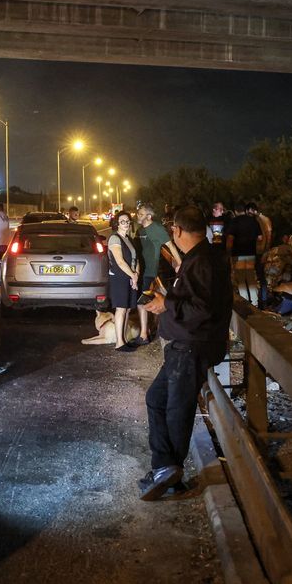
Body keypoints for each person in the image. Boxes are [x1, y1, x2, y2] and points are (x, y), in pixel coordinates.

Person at [138, 205, 232, 500]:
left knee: (178, 409)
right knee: (156, 399)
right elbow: (196, 300)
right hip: (184, 345)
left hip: (191, 346)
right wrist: (166, 301)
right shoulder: (202, 257)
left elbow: (201, 309)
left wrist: (166, 304)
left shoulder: (202, 261)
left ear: (177, 230)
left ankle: (169, 472)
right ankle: (165, 467)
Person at [135, 204, 171, 345]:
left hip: (154, 271)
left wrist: (179, 264)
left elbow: (170, 245)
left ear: (149, 216)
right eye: (138, 213)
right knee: (141, 301)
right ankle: (145, 332)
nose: (138, 216)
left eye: (141, 214)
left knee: (153, 301)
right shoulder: (139, 231)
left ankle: (152, 333)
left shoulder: (157, 228)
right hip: (142, 271)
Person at [108, 210, 139, 352]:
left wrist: (136, 274)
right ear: (117, 224)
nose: (126, 224)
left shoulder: (128, 239)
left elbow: (135, 259)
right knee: (121, 308)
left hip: (130, 277)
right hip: (119, 277)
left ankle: (124, 340)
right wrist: (133, 275)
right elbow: (120, 261)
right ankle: (119, 343)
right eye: (122, 221)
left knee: (127, 309)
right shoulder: (115, 239)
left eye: (127, 221)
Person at [225, 203, 263, 304]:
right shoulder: (253, 221)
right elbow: (260, 238)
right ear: (245, 210)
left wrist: (228, 252)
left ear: (235, 211)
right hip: (251, 254)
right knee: (251, 278)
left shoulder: (234, 222)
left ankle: (245, 302)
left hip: (238, 255)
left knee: (241, 280)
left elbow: (230, 238)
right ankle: (255, 303)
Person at [247, 202, 273, 306]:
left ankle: (262, 300)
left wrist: (266, 252)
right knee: (259, 276)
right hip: (256, 252)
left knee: (259, 276)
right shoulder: (261, 219)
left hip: (259, 252)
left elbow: (269, 237)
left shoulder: (263, 220)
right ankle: (260, 299)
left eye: (249, 212)